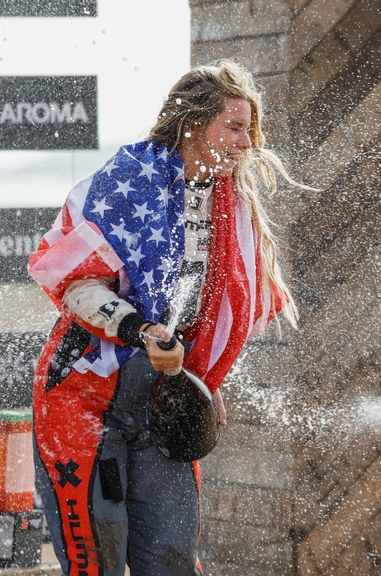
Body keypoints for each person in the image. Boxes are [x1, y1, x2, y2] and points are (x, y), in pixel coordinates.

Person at [28, 60, 301, 576]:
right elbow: (76, 284)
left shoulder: (228, 200)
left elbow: (207, 311)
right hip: (84, 395)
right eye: (237, 128)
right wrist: (141, 329)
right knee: (97, 561)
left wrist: (205, 381)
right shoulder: (129, 180)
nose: (249, 143)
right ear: (194, 126)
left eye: (251, 129)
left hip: (162, 398)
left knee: (173, 560)